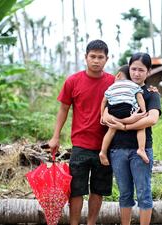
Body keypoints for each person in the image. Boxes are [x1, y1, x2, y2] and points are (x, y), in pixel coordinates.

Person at [47, 39, 115, 225]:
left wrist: (150, 92)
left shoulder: (113, 82)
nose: (96, 61)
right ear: (85, 57)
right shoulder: (73, 81)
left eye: (100, 57)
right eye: (92, 56)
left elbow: (132, 95)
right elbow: (63, 109)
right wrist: (55, 137)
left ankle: (91, 223)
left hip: (105, 145)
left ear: (106, 59)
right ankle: (74, 223)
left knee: (98, 189)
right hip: (80, 145)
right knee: (76, 189)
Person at [104, 52, 161, 225]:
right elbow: (106, 115)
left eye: (141, 70)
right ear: (129, 69)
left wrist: (125, 126)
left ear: (148, 72)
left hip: (141, 151)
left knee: (144, 193)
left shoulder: (151, 93)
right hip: (118, 150)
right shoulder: (119, 89)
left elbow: (152, 119)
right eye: (134, 69)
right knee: (125, 194)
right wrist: (118, 120)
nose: (136, 73)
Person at [99, 65, 149, 166]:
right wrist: (144, 111)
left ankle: (103, 152)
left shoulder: (111, 87)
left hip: (113, 111)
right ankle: (141, 149)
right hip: (127, 110)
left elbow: (104, 101)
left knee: (111, 130)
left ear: (118, 75)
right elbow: (140, 97)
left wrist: (101, 115)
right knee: (141, 126)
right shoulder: (134, 85)